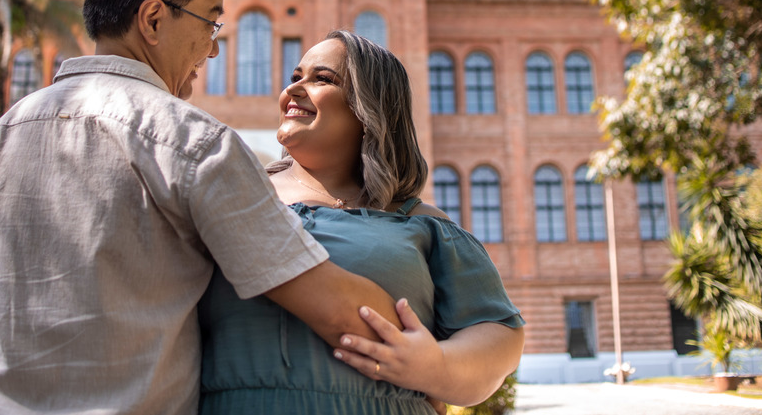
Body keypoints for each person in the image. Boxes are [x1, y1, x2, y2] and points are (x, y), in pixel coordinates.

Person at [0, 0, 403, 415]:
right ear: (152, 19)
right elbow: (339, 310)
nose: (213, 49)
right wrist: (446, 338)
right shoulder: (196, 144)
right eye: (210, 24)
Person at [199, 30, 526, 414]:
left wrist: (434, 367)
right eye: (295, 77)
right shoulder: (233, 197)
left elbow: (501, 334)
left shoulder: (424, 225)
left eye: (322, 79)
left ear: (369, 108)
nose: (295, 90)